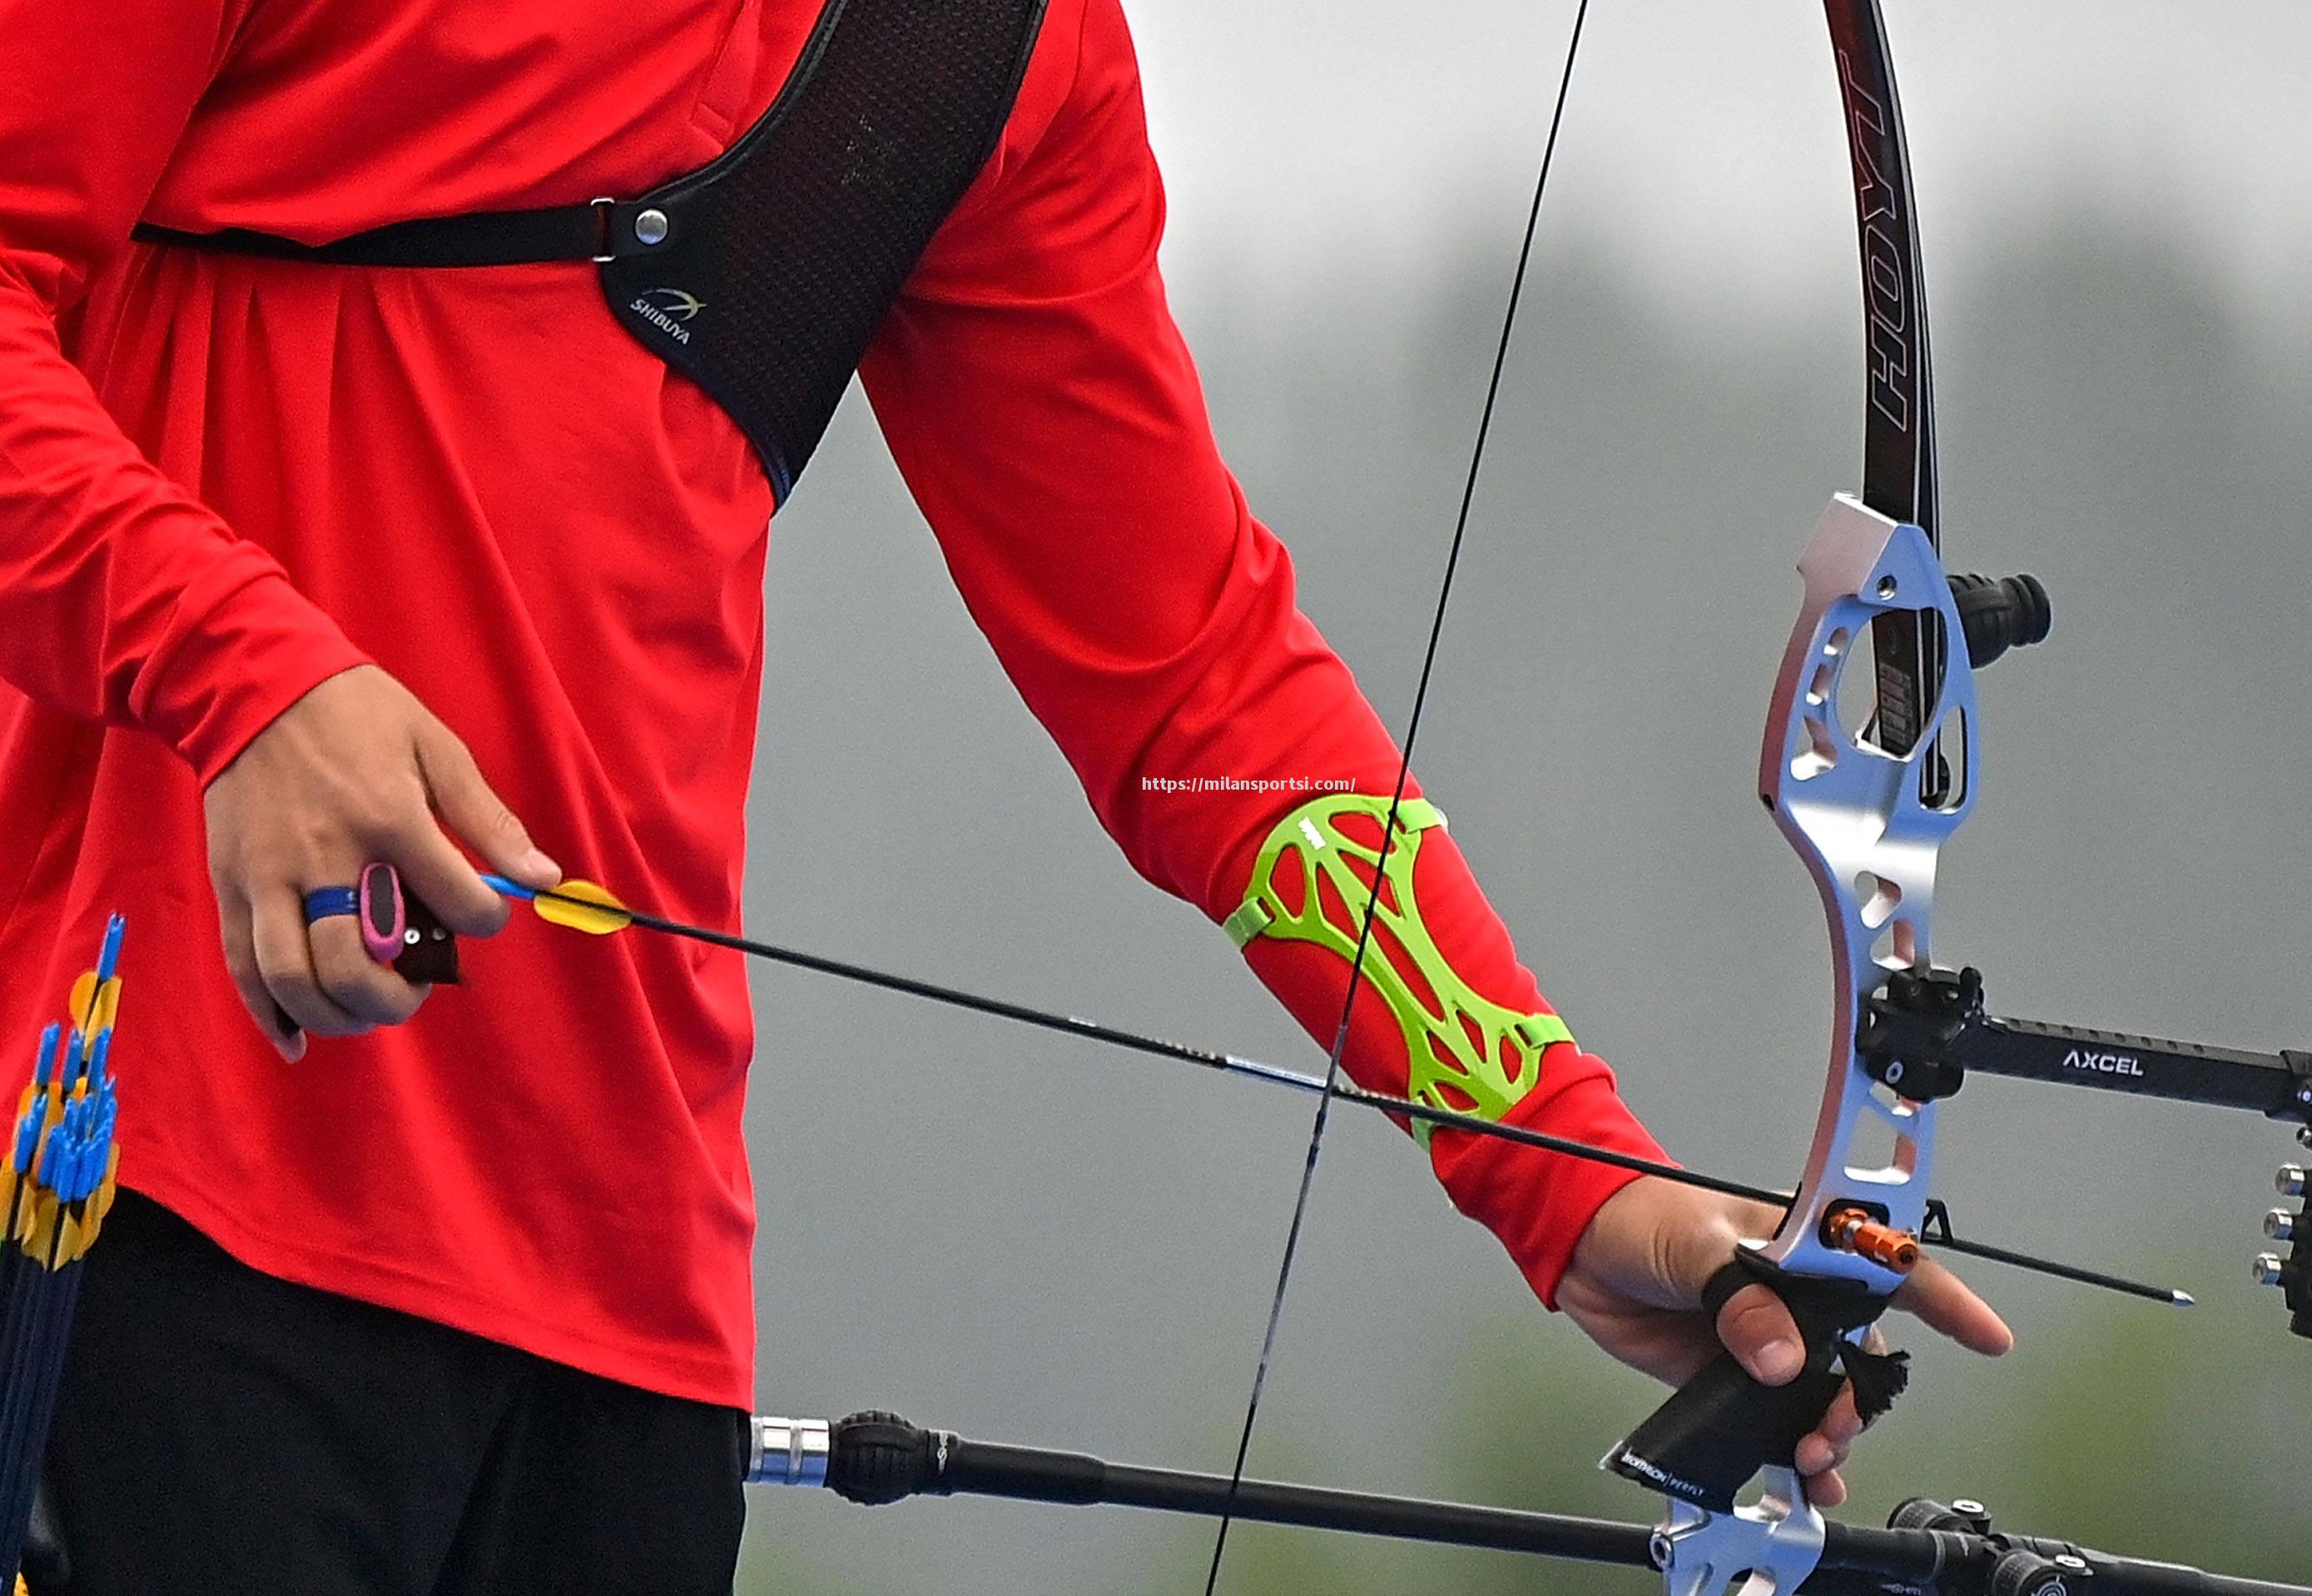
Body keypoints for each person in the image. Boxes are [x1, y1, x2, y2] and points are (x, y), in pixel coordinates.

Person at [0, 0, 2012, 1589]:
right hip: (141, 1203)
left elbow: (1192, 677)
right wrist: (249, 671)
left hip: (626, 1333)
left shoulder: (978, 39)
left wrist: (1565, 1169)